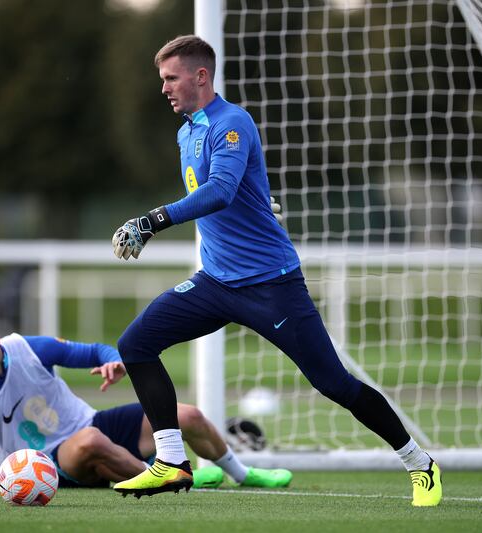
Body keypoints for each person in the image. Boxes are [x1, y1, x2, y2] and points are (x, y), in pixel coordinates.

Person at [110, 35, 442, 506]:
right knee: (136, 344)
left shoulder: (232, 122)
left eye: (170, 78)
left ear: (200, 76)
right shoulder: (187, 131)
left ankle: (419, 463)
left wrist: (152, 220)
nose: (163, 88)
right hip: (215, 282)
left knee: (333, 383)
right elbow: (229, 193)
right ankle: (171, 463)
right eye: (161, 79)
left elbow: (220, 191)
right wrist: (258, 202)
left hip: (271, 286)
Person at [0, 309, 292, 492]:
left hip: (91, 424)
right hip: (47, 464)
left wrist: (111, 362)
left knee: (189, 415)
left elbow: (95, 351)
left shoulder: (27, 348)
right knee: (90, 443)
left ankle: (243, 474)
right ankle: (179, 479)